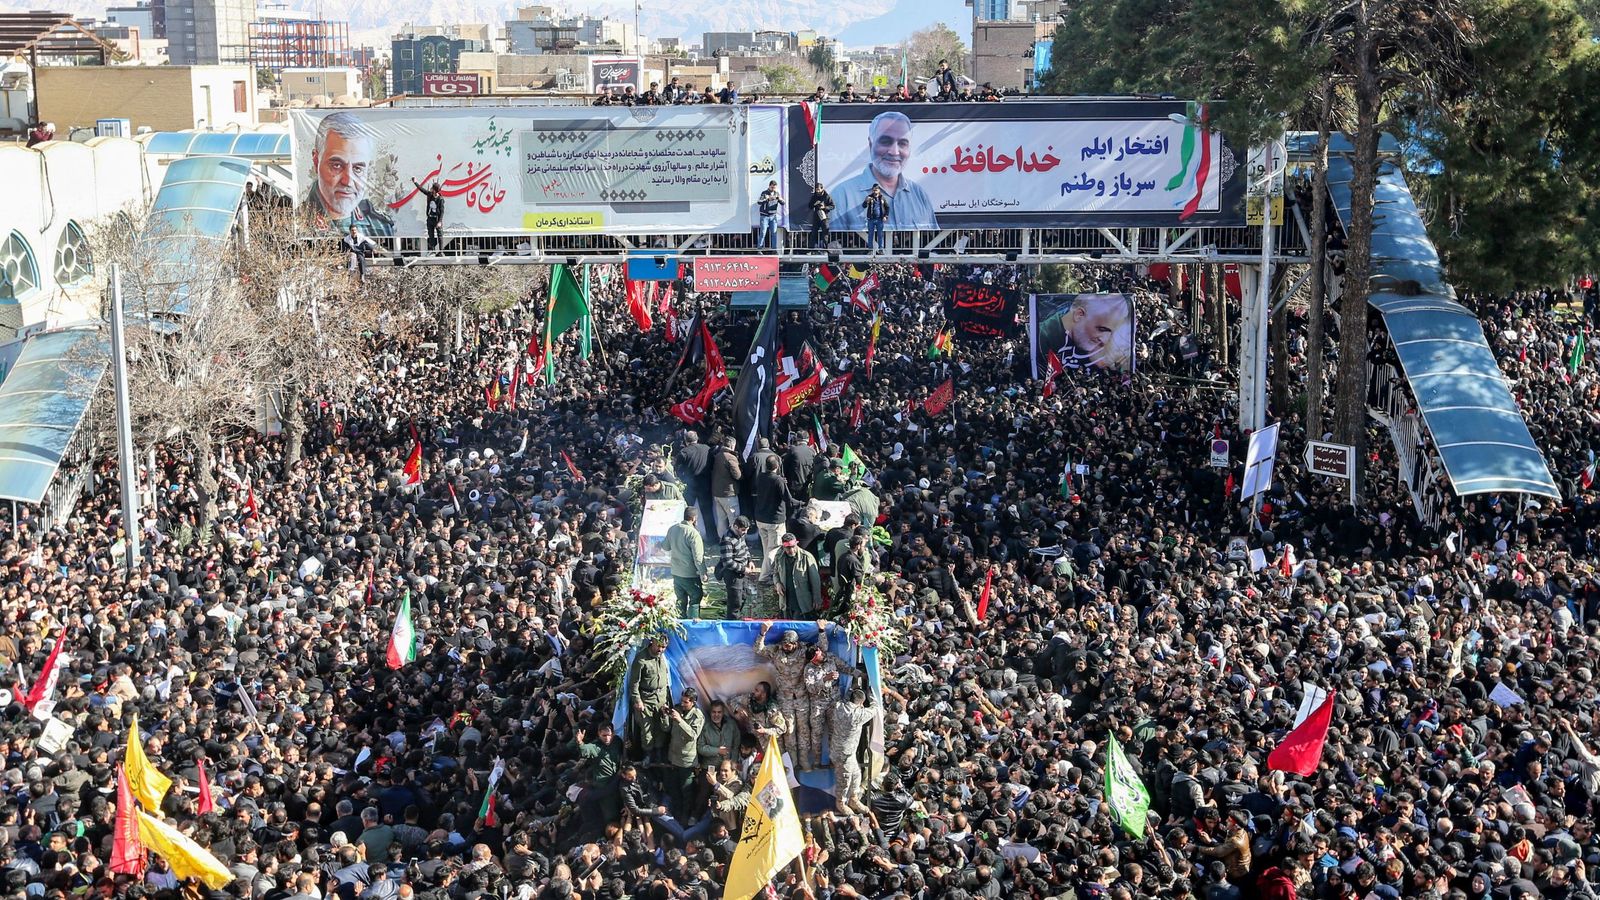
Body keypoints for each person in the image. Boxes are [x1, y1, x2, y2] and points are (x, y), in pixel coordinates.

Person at [831, 111, 939, 233]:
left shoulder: (919, 195)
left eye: (902, 143)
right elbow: (831, 247)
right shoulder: (842, 196)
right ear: (870, 144)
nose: (894, 152)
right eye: (886, 142)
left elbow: (934, 245)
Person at [307, 112, 394, 237]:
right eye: (337, 165)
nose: (347, 181)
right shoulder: (296, 222)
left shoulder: (379, 226)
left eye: (358, 169)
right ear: (316, 161)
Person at [1037, 293, 1135, 371]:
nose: (1104, 341)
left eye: (1110, 333)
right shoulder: (1040, 339)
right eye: (1101, 329)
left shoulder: (1091, 355)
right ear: (1079, 315)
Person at [755, 624, 809, 761]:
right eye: (784, 644)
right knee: (789, 731)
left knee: (804, 731)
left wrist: (821, 630)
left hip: (801, 697)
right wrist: (763, 633)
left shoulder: (804, 650)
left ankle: (804, 761)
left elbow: (822, 649)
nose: (786, 647)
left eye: (789, 645)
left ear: (796, 644)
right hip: (784, 698)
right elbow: (758, 650)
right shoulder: (776, 650)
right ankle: (793, 764)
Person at [626, 636, 671, 763]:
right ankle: (648, 754)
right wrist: (637, 700)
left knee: (661, 727)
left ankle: (658, 753)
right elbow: (634, 683)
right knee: (647, 729)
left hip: (661, 697)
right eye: (658, 646)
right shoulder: (641, 659)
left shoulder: (663, 658)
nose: (660, 649)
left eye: (663, 647)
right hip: (646, 699)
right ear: (652, 643)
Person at [830, 689, 875, 815]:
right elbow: (875, 709)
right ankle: (841, 803)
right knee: (844, 780)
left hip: (843, 751)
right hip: (844, 754)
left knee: (856, 775)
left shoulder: (839, 707)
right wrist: (873, 696)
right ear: (861, 703)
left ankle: (853, 799)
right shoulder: (857, 715)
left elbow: (841, 699)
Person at [663, 688, 705, 819]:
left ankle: (686, 818)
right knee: (674, 789)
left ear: (693, 702)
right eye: (682, 701)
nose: (682, 704)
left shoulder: (697, 716)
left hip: (686, 762)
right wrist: (665, 715)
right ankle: (676, 815)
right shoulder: (678, 709)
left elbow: (693, 735)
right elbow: (666, 729)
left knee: (687, 792)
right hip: (674, 758)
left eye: (686, 702)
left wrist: (680, 721)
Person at [753, 456, 796, 583]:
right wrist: (801, 503)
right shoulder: (778, 480)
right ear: (777, 466)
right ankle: (764, 576)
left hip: (760, 518)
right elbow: (788, 499)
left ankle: (769, 572)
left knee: (767, 548)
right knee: (774, 549)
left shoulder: (761, 476)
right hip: (775, 520)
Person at [662, 507, 704, 618]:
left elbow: (665, 547)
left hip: (676, 572)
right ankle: (693, 623)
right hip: (689, 573)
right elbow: (698, 557)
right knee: (696, 597)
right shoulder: (693, 533)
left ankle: (680, 623)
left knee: (681, 600)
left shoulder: (673, 529)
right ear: (694, 518)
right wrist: (703, 572)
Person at [772, 533, 822, 620]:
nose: (791, 550)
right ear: (783, 547)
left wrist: (817, 598)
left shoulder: (806, 557)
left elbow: (815, 581)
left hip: (801, 602)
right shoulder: (779, 557)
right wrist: (777, 583)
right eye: (788, 548)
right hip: (786, 601)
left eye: (793, 547)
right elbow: (775, 573)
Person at [716, 516, 755, 619]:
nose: (745, 532)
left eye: (746, 530)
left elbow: (745, 547)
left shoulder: (740, 534)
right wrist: (743, 569)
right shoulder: (727, 539)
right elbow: (728, 562)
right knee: (735, 602)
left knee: (744, 596)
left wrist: (750, 560)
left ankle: (737, 617)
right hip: (732, 575)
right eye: (743, 530)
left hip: (742, 572)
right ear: (736, 526)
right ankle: (733, 622)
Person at [709, 437, 742, 539]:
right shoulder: (731, 458)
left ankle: (723, 541)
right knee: (734, 520)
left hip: (717, 493)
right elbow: (737, 475)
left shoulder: (717, 455)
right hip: (729, 494)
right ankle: (734, 542)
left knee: (721, 520)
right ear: (732, 445)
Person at [411, 177, 445, 252]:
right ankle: (432, 251)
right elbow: (422, 190)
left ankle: (441, 252)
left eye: (432, 188)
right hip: (430, 219)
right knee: (431, 235)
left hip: (437, 219)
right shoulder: (430, 195)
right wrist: (415, 182)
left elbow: (442, 211)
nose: (431, 189)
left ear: (435, 190)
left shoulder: (440, 199)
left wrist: (440, 221)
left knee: (440, 236)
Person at [756, 180, 784, 250]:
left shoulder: (777, 193)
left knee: (774, 233)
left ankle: (774, 249)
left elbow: (783, 203)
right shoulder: (764, 193)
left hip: (773, 216)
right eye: (772, 187)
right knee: (763, 232)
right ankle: (759, 249)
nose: (773, 189)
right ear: (769, 186)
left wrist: (779, 199)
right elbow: (759, 202)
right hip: (764, 216)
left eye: (774, 188)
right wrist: (767, 199)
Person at [863, 185, 890, 254]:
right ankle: (870, 250)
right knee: (870, 235)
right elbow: (864, 206)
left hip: (879, 219)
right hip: (871, 219)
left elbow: (887, 207)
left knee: (880, 235)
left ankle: (880, 249)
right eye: (874, 190)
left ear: (879, 190)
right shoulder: (869, 197)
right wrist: (866, 201)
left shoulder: (882, 198)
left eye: (876, 190)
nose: (875, 191)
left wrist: (885, 216)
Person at [808, 184, 835, 249]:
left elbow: (833, 206)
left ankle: (826, 248)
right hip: (816, 216)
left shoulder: (827, 196)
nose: (817, 191)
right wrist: (815, 204)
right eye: (816, 189)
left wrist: (825, 207)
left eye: (818, 189)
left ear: (822, 189)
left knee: (825, 233)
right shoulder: (814, 196)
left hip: (825, 217)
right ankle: (811, 249)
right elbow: (810, 206)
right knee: (813, 232)